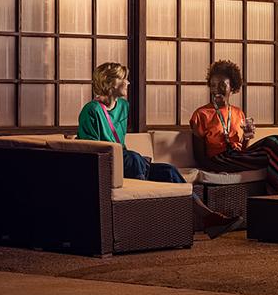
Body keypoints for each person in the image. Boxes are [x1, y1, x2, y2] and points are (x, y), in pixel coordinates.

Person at [79, 61, 240, 236]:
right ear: (110, 83)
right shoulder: (91, 110)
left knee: (169, 171)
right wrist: (126, 158)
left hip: (127, 163)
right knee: (133, 158)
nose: (128, 82)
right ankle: (142, 221)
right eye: (123, 79)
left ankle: (209, 218)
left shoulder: (124, 106)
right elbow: (91, 149)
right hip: (108, 165)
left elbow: (121, 143)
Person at [188, 60, 278, 193]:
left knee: (276, 140)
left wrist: (246, 137)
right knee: (272, 144)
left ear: (232, 87)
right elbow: (199, 158)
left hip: (236, 156)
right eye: (213, 85)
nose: (216, 89)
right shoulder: (201, 114)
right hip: (218, 160)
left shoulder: (238, 113)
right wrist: (218, 168)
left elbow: (242, 150)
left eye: (222, 85)